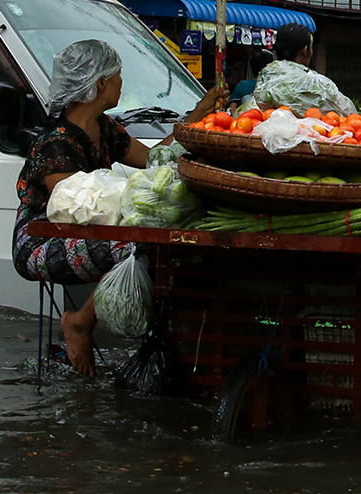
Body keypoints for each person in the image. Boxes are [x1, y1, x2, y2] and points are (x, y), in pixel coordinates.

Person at [13, 40, 224, 375]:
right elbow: (73, 207)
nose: (121, 83)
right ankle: (79, 323)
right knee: (134, 244)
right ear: (100, 83)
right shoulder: (55, 144)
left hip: (92, 233)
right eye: (118, 75)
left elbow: (155, 160)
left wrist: (198, 115)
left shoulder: (106, 129)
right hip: (41, 242)